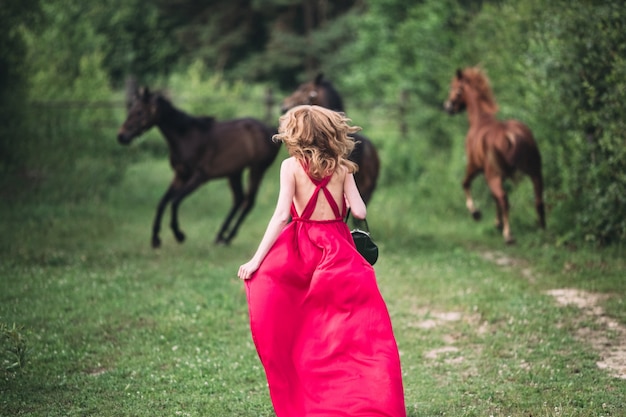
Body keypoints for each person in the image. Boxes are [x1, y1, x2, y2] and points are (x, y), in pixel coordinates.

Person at [238, 105, 406, 417]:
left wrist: (256, 259)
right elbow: (360, 211)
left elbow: (281, 216)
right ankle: (360, 393)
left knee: (304, 325)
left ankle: (310, 392)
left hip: (300, 249)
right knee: (349, 326)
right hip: (338, 250)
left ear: (296, 135)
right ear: (330, 133)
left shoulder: (290, 167)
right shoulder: (343, 168)